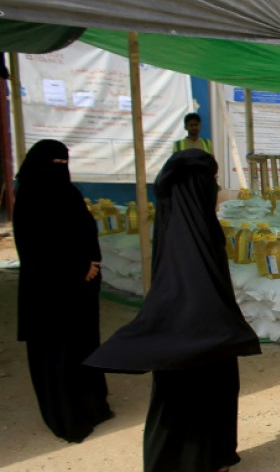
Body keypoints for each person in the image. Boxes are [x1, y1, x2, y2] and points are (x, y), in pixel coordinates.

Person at [86, 149, 262, 472]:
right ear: (198, 185)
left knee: (211, 394)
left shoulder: (185, 221)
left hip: (207, 336)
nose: (216, 187)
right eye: (211, 180)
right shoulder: (188, 231)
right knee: (190, 401)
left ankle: (213, 457)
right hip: (195, 337)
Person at [13, 140, 113, 443]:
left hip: (80, 290)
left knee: (82, 348)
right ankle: (65, 416)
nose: (60, 169)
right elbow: (36, 249)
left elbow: (85, 230)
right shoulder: (28, 199)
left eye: (64, 163)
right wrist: (77, 268)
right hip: (48, 292)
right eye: (55, 163)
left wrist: (91, 262)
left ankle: (91, 407)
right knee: (55, 354)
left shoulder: (70, 194)